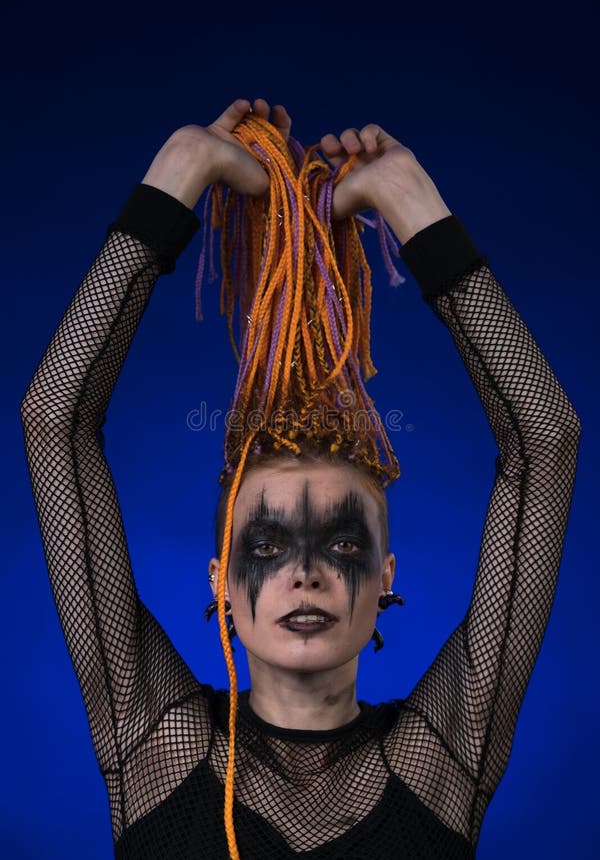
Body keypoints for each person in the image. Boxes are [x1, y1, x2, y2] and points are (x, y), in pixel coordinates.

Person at [20, 97, 581, 859]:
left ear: (387, 576)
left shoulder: (443, 757)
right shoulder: (156, 741)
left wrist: (407, 195)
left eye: (345, 546)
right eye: (269, 544)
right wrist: (184, 164)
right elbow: (56, 419)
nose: (308, 574)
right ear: (220, 577)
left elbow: (544, 440)